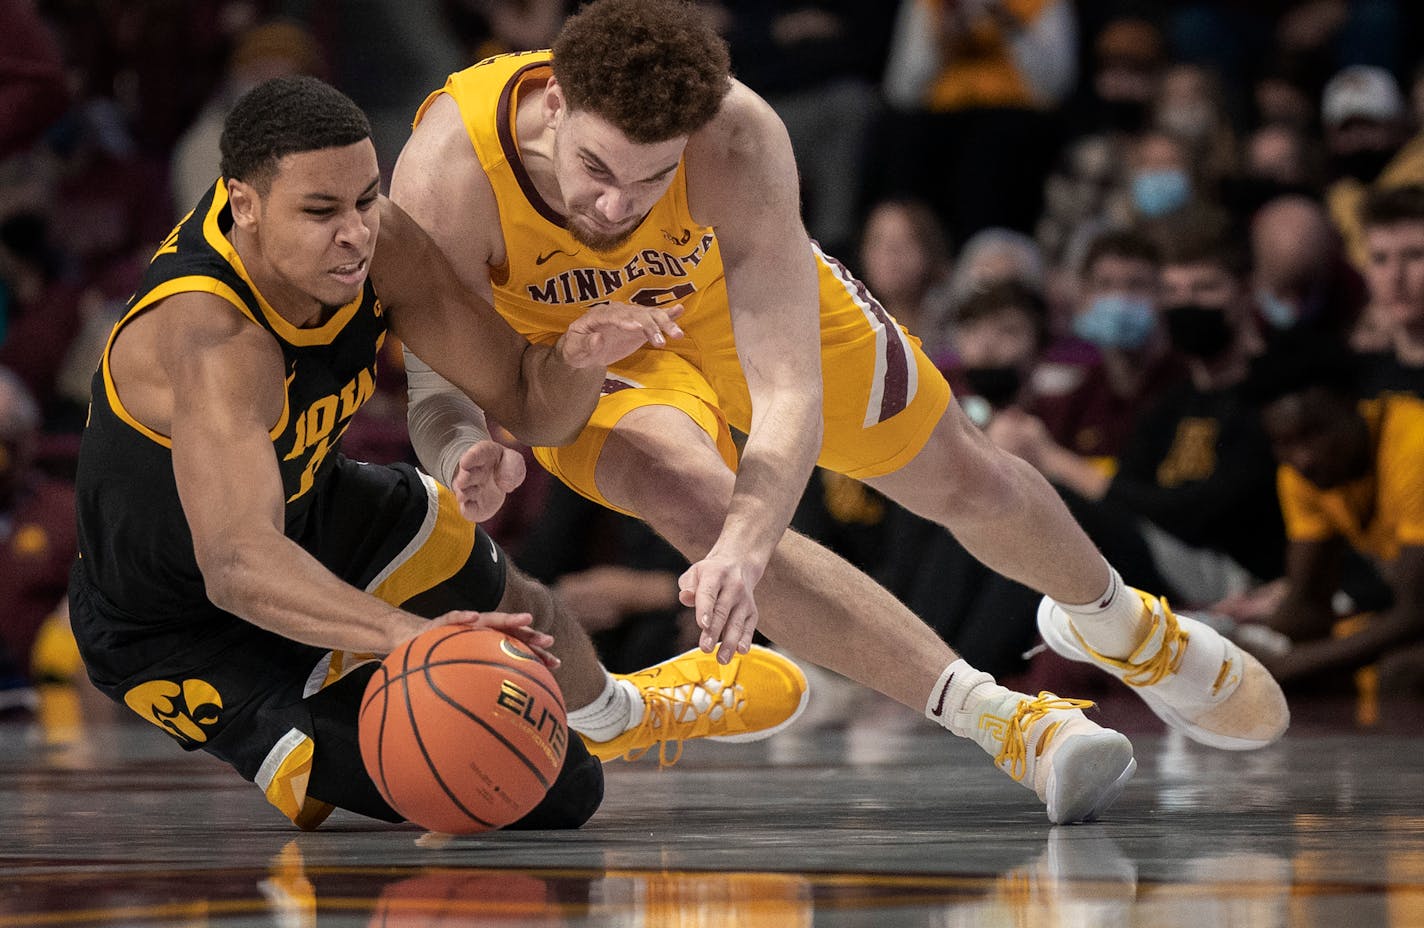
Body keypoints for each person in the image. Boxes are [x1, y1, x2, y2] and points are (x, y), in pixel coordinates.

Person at [392, 0, 1289, 824]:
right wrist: (463, 442)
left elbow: (789, 391)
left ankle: (1118, 621)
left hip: (712, 293)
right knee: (695, 502)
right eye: (595, 169)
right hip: (574, 347)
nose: (618, 206)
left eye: (651, 178)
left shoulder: (737, 137)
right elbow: (438, 373)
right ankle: (1008, 726)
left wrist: (751, 544)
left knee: (958, 474)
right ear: (553, 103)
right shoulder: (445, 171)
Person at [67, 76, 808, 832]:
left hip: (311, 509)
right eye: (320, 212)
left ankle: (624, 712)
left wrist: (579, 359)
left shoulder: (381, 245)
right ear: (244, 204)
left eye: (365, 197)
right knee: (521, 784)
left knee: (525, 614)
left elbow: (526, 400)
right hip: (175, 620)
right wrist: (409, 638)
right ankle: (347, 687)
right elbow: (235, 564)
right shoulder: (211, 336)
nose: (355, 232)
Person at [1245, 340, 1424, 689]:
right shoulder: (1302, 475)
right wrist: (1228, 651)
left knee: (1403, 672)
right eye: (1285, 443)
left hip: (1417, 611)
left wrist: (1286, 666)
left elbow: (1416, 612)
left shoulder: (1415, 445)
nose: (1303, 458)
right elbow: (1309, 603)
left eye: (1314, 433)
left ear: (1353, 405)